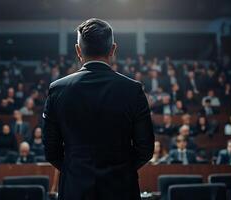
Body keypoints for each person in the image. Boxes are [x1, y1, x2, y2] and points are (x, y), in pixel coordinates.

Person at [43, 18, 154, 200]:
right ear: (113, 50)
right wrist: (122, 169)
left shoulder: (57, 90)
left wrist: (77, 169)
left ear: (78, 51)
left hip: (75, 189)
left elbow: (51, 151)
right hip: (121, 189)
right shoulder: (133, 90)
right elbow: (146, 149)